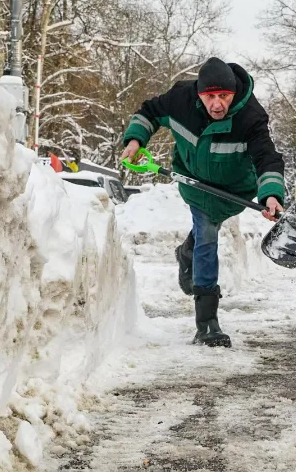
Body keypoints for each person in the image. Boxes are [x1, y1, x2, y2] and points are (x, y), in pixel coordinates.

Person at [120, 58, 285, 348]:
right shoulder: (181, 100)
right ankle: (207, 324)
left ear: (234, 93)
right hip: (194, 181)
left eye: (224, 96)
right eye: (210, 97)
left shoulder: (250, 116)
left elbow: (266, 156)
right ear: (199, 93)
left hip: (233, 190)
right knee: (207, 235)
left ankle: (187, 253)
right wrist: (135, 141)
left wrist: (270, 194)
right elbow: (149, 112)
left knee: (206, 231)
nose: (217, 104)